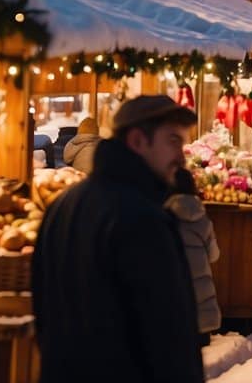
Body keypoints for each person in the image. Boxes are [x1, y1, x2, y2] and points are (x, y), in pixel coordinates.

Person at [33, 95, 203, 383]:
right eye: (173, 141)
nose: (181, 157)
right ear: (138, 141)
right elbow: (169, 337)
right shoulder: (142, 218)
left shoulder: (62, 206)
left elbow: (43, 314)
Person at [165, 168, 221, 347]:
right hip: (202, 302)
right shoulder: (202, 217)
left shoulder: (161, 217)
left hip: (175, 298)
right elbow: (214, 255)